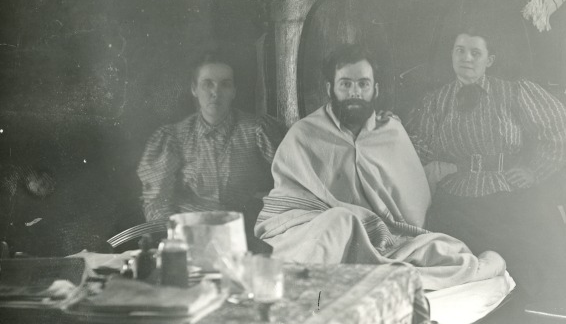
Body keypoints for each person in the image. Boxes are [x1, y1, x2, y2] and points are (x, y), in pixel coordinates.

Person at [254, 43, 506, 292]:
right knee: (339, 222)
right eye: (345, 84)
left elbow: (413, 206)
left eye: (363, 84)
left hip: (386, 240)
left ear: (375, 89)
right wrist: (346, 220)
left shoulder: (391, 132)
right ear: (330, 88)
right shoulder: (304, 134)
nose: (355, 92)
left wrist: (377, 230)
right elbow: (288, 206)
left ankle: (366, 274)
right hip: (321, 233)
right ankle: (328, 289)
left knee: (448, 254)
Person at [405, 23, 566, 297]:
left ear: (490, 60)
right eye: (459, 51)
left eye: (475, 53)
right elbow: (416, 147)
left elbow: (558, 131)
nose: (466, 58)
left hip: (506, 196)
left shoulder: (514, 93)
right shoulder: (435, 102)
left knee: (530, 258)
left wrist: (533, 171)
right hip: (457, 201)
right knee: (455, 268)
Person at [137, 53, 282, 241]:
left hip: (248, 233)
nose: (216, 92)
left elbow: (289, 179)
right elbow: (157, 200)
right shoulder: (172, 138)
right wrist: (171, 238)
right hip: (189, 236)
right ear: (194, 89)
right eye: (207, 84)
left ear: (234, 91)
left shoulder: (258, 131)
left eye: (225, 84)